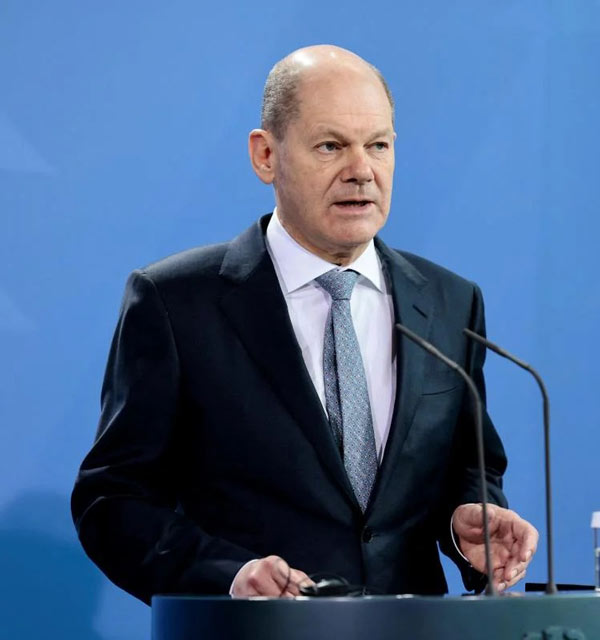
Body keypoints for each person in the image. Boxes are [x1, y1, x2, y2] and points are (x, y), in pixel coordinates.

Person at [71, 44, 538, 603]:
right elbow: (113, 502)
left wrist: (468, 524)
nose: (361, 171)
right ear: (266, 155)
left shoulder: (449, 302)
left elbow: (467, 466)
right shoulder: (176, 303)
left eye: (378, 145)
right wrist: (228, 576)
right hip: (253, 633)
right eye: (331, 146)